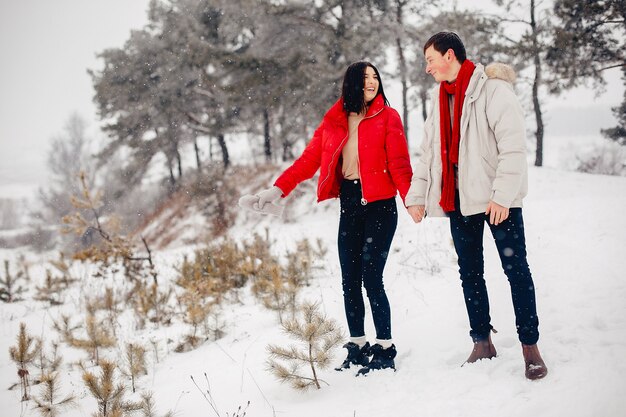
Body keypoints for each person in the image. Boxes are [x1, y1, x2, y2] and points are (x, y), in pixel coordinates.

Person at [240, 61, 413, 375]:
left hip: (380, 207)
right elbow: (308, 161)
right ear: (351, 83)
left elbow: (400, 164)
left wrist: (411, 199)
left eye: (375, 77)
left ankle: (385, 348)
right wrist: (278, 190)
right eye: (365, 78)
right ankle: (358, 346)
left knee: (372, 279)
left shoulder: (388, 117)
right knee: (349, 280)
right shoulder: (335, 121)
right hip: (350, 204)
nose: (372, 83)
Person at [405, 32, 548, 380]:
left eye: (430, 60)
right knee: (470, 273)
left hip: (499, 202)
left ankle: (530, 347)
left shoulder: (494, 91)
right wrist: (416, 196)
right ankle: (482, 342)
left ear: (449, 55)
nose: (427, 68)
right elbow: (427, 157)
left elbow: (512, 147)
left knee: (517, 271)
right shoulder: (439, 101)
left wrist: (501, 196)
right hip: (459, 201)